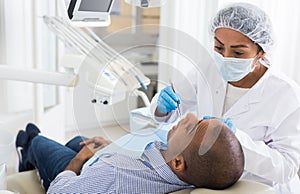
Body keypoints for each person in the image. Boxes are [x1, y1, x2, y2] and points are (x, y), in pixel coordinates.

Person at [150, 2, 300, 194]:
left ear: (261, 53)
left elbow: (286, 169)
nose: (226, 57)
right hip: (208, 178)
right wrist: (162, 107)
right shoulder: (207, 69)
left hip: (260, 187)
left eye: (238, 52)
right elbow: (167, 110)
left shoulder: (287, 95)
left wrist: (235, 139)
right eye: (219, 48)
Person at [15, 113, 244, 193]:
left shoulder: (115, 177)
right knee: (77, 140)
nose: (189, 117)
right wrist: (112, 148)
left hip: (83, 172)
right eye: (202, 118)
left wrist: (78, 160)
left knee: (37, 141)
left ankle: (26, 154)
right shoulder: (184, 168)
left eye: (190, 127)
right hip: (104, 159)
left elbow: (60, 192)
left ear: (178, 162)